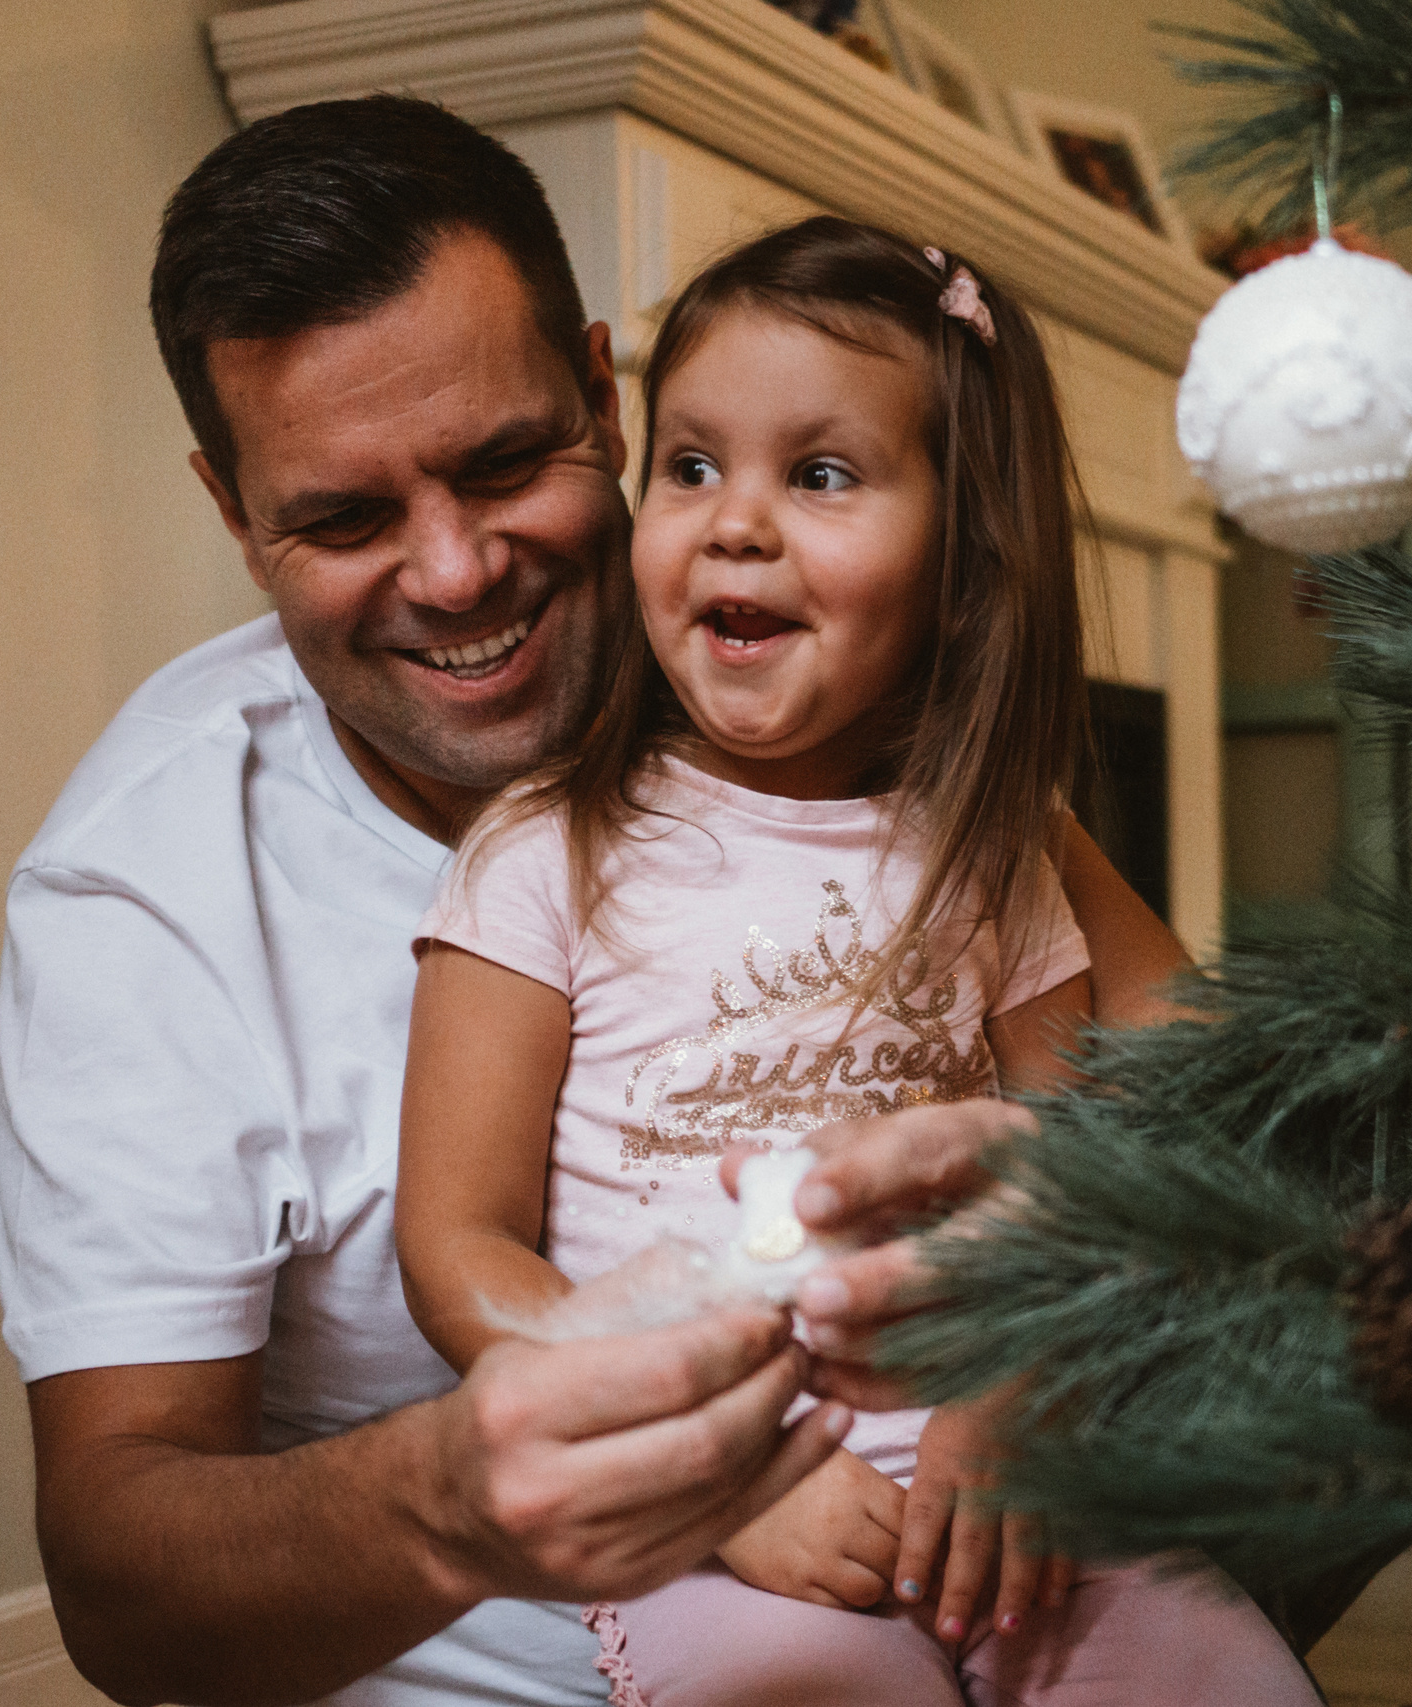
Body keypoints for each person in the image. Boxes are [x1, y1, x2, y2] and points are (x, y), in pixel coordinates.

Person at [0, 98, 1186, 1707]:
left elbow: (1198, 1094)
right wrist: (477, 1495)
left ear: (604, 400)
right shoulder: (140, 893)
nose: (457, 574)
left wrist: (1034, 1369)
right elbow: (120, 1588)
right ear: (232, 511)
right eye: (344, 517)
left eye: (504, 464)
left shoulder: (821, 700)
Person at [394, 216, 1322, 1707]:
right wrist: (716, 1475)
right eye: (691, 466)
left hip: (1006, 1459)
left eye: (820, 476)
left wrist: (1020, 1399)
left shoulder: (992, 848)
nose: (736, 523)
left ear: (960, 565)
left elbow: (1077, 1169)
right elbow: (459, 1243)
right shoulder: (540, 853)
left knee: (1227, 1678)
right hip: (710, 1508)